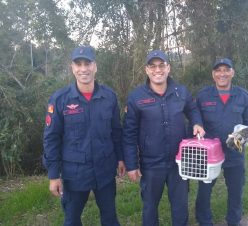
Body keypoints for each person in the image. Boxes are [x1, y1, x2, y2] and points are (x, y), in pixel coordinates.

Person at [43, 46, 126, 226]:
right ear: (72, 68)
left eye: (87, 63)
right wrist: (53, 175)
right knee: (72, 220)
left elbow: (116, 132)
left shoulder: (109, 97)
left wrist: (120, 158)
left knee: (110, 218)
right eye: (78, 64)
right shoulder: (60, 99)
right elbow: (51, 138)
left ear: (95, 66)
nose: (83, 69)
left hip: (104, 170)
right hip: (74, 174)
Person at [123, 50, 205, 226]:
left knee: (180, 206)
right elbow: (128, 133)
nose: (157, 70)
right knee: (150, 207)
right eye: (152, 66)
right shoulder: (136, 97)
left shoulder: (180, 91)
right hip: (151, 164)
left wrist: (197, 122)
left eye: (161, 65)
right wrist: (131, 164)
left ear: (168, 68)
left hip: (180, 162)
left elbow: (193, 109)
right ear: (146, 70)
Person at [195, 58, 248, 226]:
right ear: (213, 74)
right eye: (218, 70)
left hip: (234, 153)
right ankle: (204, 221)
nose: (222, 73)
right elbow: (195, 120)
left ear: (232, 73)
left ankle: (234, 221)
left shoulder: (244, 96)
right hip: (208, 155)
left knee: (236, 191)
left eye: (226, 70)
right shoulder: (202, 95)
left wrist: (242, 138)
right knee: (204, 191)